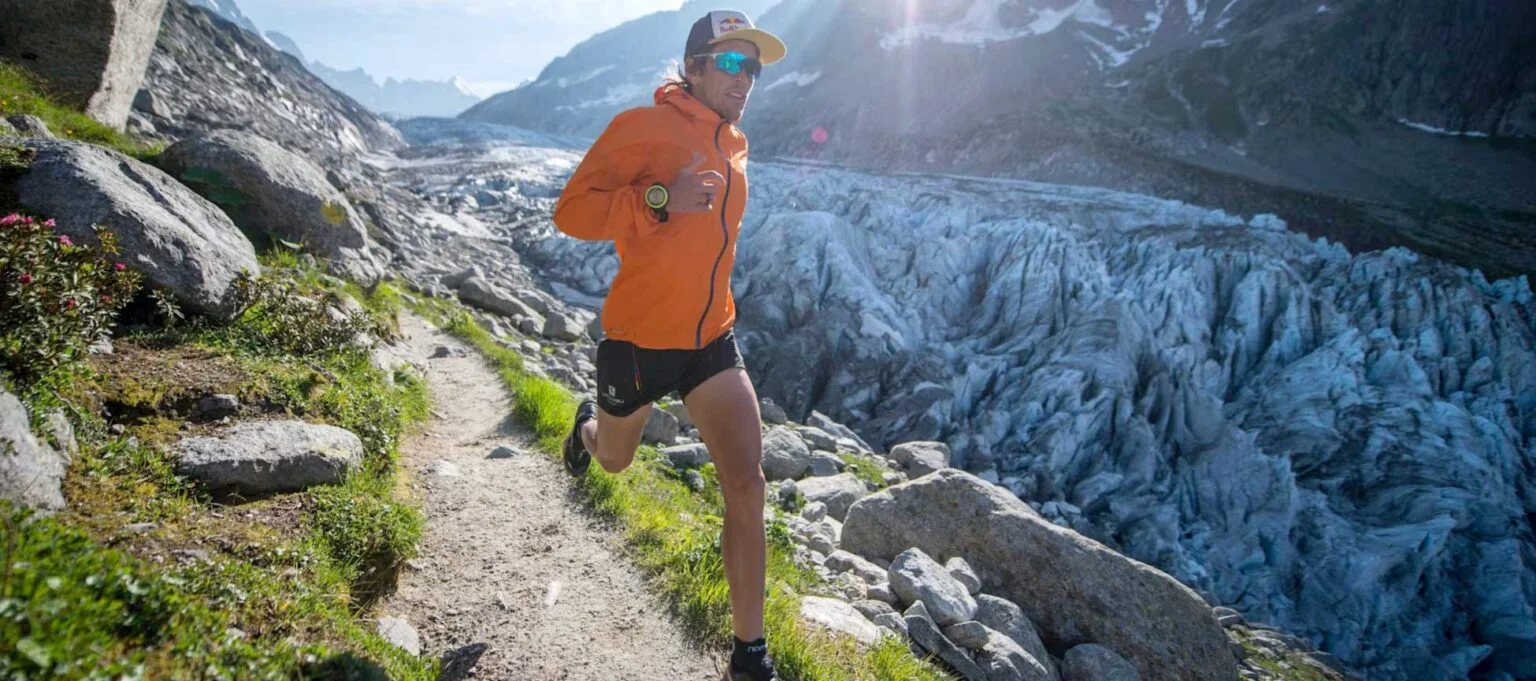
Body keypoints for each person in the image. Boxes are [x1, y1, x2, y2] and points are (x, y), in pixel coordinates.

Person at [550, 9, 788, 681]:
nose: (746, 79)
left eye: (755, 67)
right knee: (616, 460)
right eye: (733, 63)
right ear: (694, 67)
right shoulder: (643, 128)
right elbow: (570, 211)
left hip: (711, 338)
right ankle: (587, 428)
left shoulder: (735, 142)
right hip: (639, 339)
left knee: (746, 484)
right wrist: (659, 196)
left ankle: (749, 654)